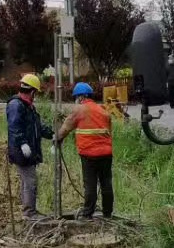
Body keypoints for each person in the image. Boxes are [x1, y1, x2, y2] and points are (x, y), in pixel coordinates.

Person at [56, 81, 114, 219]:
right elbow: (109, 131)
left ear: (81, 97)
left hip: (89, 154)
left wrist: (57, 139)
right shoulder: (103, 110)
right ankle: (107, 213)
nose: (76, 101)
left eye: (76, 98)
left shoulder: (79, 110)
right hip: (106, 153)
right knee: (106, 183)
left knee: (90, 185)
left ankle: (87, 214)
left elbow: (65, 128)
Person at [6, 73, 54, 217]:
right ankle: (30, 214)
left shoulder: (28, 106)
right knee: (30, 181)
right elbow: (14, 127)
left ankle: (29, 211)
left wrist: (52, 134)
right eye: (36, 93)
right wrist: (23, 143)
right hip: (20, 150)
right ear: (32, 91)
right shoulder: (16, 105)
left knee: (28, 181)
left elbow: (37, 127)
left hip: (28, 149)